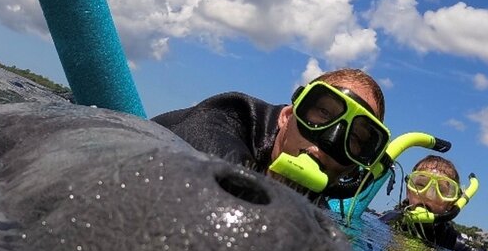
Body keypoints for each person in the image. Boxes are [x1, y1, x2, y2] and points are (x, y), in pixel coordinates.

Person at [152, 68, 390, 203]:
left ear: (351, 169)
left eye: (355, 139)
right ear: (286, 116)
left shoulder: (318, 205)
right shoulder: (228, 116)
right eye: (323, 112)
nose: (328, 142)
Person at [380, 155, 488, 251]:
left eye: (442, 191)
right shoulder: (390, 221)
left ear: (451, 203)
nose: (429, 195)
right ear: (408, 190)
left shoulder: (450, 239)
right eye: (421, 184)